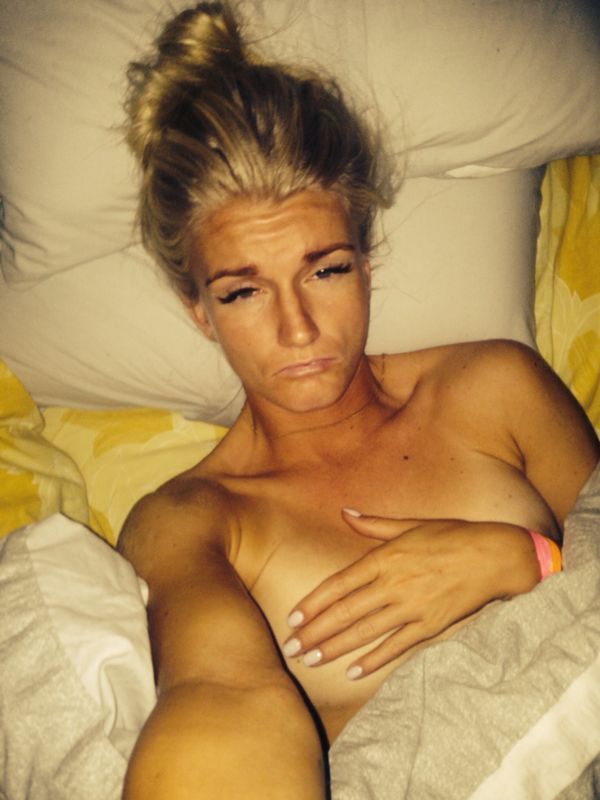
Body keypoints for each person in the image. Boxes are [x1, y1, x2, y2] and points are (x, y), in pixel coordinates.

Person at [117, 3, 600, 797]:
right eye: (244, 292)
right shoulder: (192, 518)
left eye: (326, 270)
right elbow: (219, 696)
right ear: (199, 311)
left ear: (365, 265)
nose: (299, 327)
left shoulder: (497, 387)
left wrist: (521, 559)